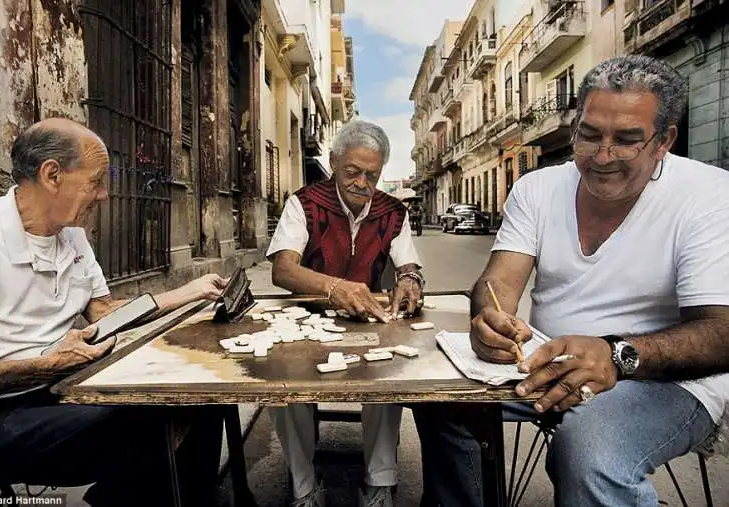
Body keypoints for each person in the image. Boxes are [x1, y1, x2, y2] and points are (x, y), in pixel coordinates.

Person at [416, 55, 729, 506]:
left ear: (664, 142)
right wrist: (488, 320)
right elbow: (497, 284)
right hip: (547, 363)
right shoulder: (536, 189)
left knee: (588, 447)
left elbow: (721, 332)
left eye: (626, 141)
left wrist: (617, 354)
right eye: (588, 135)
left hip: (667, 381)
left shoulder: (709, 196)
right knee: (440, 397)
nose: (602, 157)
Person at [0, 118, 230, 506]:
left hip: (54, 389)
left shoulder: (69, 233)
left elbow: (102, 311)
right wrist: (41, 367)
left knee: (200, 395)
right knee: (141, 425)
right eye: (96, 181)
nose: (103, 195)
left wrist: (186, 294)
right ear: (52, 175)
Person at [267, 120, 425, 507]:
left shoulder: (393, 212)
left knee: (390, 375)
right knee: (282, 384)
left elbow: (409, 267)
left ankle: (379, 482)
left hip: (369, 319)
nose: (361, 182)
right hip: (312, 316)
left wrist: (411, 280)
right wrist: (333, 288)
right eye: (352, 171)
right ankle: (304, 486)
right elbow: (282, 270)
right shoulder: (303, 203)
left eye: (372, 174)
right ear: (334, 162)